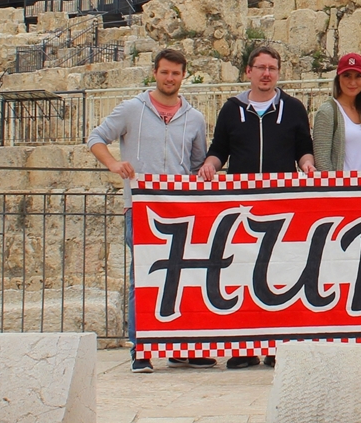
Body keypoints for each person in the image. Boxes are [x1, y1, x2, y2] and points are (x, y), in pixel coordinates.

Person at [87, 49, 208, 372]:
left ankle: (181, 348)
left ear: (183, 76)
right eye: (165, 72)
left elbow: (197, 164)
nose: (170, 78)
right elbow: (96, 137)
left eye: (176, 73)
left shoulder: (195, 119)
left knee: (184, 276)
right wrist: (113, 163)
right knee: (143, 276)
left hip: (180, 209)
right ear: (154, 73)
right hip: (141, 207)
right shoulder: (131, 110)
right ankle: (141, 348)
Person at [197, 43, 316, 368]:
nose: (266, 74)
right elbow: (219, 150)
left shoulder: (293, 108)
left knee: (280, 275)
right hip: (243, 208)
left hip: (282, 207)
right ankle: (244, 347)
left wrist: (307, 165)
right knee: (241, 273)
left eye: (272, 69)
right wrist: (209, 166)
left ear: (278, 73)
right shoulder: (231, 109)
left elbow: (303, 149)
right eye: (261, 68)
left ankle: (277, 346)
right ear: (248, 71)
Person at [312, 52, 361, 172]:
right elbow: (322, 162)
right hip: (342, 184)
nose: (352, 82)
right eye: (347, 76)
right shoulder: (328, 112)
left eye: (358, 76)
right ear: (338, 79)